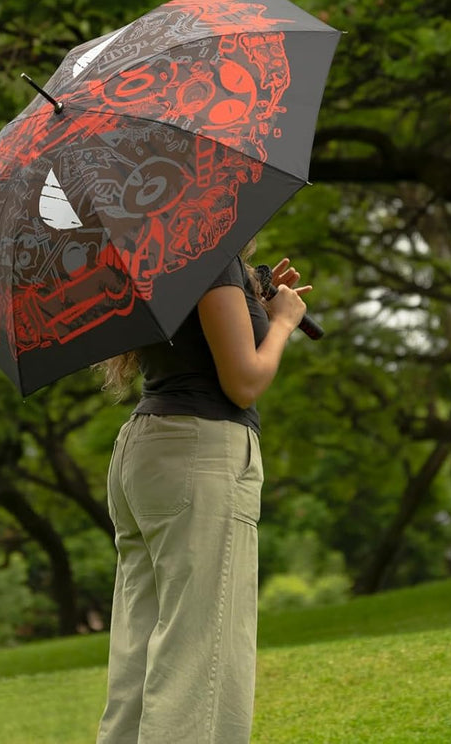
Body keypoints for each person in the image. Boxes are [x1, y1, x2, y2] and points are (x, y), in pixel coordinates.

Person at [96, 248, 312, 744]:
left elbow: (196, 340)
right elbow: (243, 381)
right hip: (200, 451)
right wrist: (281, 324)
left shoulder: (156, 251)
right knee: (202, 656)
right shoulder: (208, 251)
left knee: (141, 655)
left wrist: (255, 300)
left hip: (147, 451)